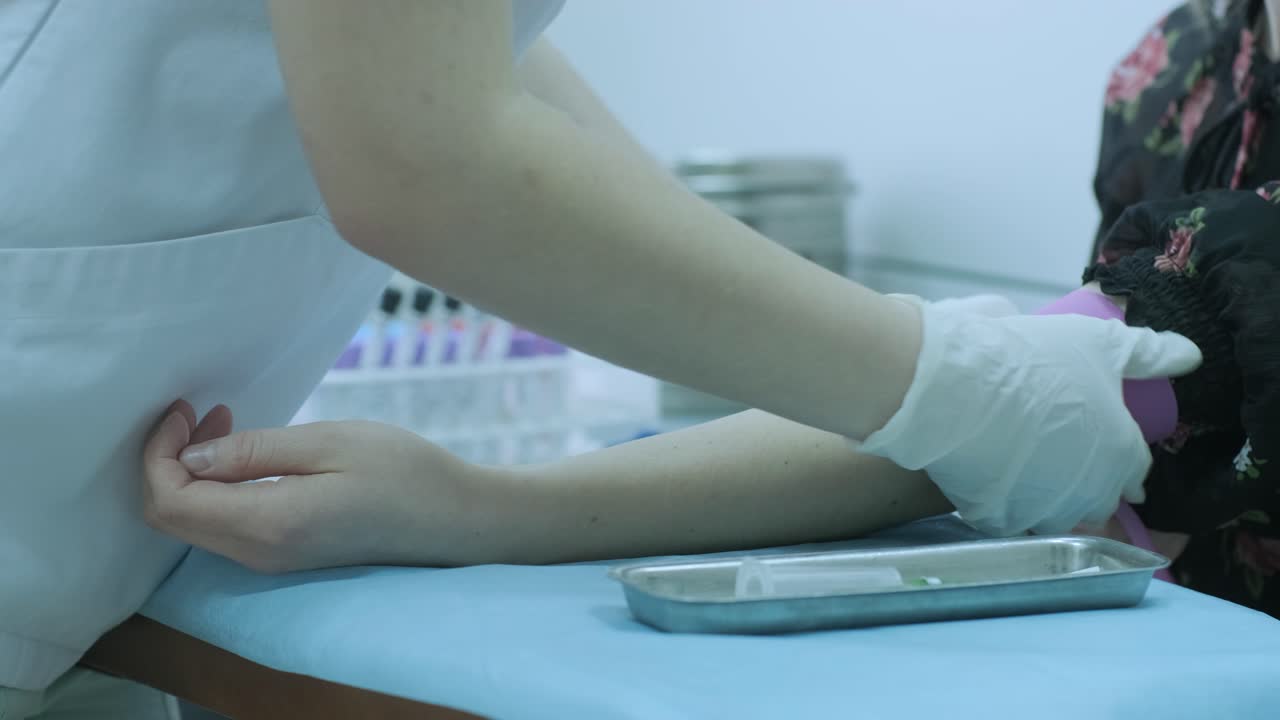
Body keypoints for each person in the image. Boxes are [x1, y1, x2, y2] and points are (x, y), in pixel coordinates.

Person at [0, 1, 1199, 717]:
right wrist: (957, 391)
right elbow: (422, 146)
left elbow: (457, 60)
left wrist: (473, 507)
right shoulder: (1178, 87)